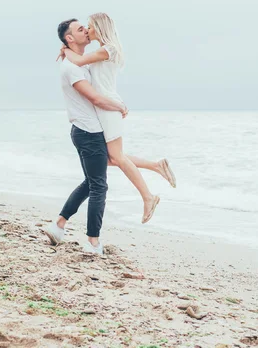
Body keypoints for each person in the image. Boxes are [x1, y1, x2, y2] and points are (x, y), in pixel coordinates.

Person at [59, 13, 176, 224]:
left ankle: (148, 197)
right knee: (110, 158)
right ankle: (155, 166)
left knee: (117, 157)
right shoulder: (103, 50)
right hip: (105, 107)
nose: (88, 30)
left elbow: (79, 60)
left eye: (90, 27)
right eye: (84, 28)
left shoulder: (108, 49)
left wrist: (66, 50)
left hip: (108, 106)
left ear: (100, 27)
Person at [43, 18, 127, 254]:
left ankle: (59, 225)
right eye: (80, 29)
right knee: (99, 186)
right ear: (70, 38)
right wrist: (120, 108)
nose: (86, 31)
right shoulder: (71, 68)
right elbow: (96, 98)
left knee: (91, 183)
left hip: (88, 130)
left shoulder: (80, 64)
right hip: (88, 132)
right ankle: (92, 242)